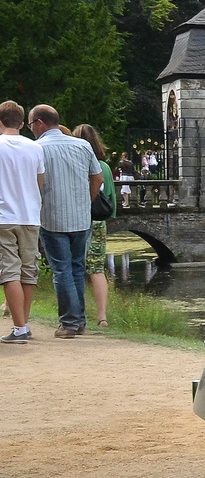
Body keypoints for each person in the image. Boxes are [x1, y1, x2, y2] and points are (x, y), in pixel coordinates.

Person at [29, 105, 101, 338]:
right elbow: (97, 177)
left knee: (61, 269)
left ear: (40, 123)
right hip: (81, 218)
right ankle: (79, 321)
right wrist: (86, 202)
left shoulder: (37, 148)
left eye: (31, 125)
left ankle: (69, 322)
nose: (31, 130)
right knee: (77, 268)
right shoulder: (82, 145)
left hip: (52, 217)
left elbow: (34, 183)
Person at [0, 101, 44, 343]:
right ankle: (23, 324)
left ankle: (19, 328)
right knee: (28, 271)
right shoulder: (35, 148)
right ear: (21, 123)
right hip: (30, 215)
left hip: (4, 216)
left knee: (9, 271)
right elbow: (39, 182)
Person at [71, 124, 116, 328]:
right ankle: (102, 316)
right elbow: (112, 198)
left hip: (78, 220)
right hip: (98, 221)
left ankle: (75, 313)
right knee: (97, 269)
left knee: (74, 267)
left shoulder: (76, 163)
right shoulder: (104, 167)